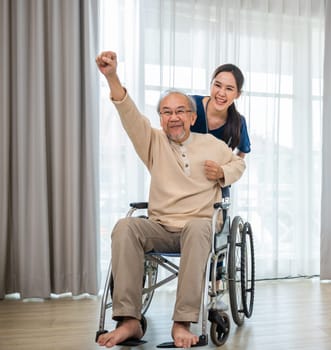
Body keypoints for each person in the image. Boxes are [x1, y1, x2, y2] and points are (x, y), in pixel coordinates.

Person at [95, 51, 246, 349]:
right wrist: (111, 76)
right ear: (160, 118)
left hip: (196, 230)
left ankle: (182, 322)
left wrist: (222, 172)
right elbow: (127, 112)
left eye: (180, 111)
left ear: (192, 117)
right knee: (126, 227)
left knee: (200, 227)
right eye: (166, 112)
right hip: (161, 227)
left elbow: (239, 165)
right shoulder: (152, 141)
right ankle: (129, 321)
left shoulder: (212, 144)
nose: (173, 117)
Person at [191, 64, 251, 158]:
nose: (221, 93)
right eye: (218, 85)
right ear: (211, 85)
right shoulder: (190, 104)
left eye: (229, 89)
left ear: (238, 95)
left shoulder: (239, 122)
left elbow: (242, 151)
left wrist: (226, 171)